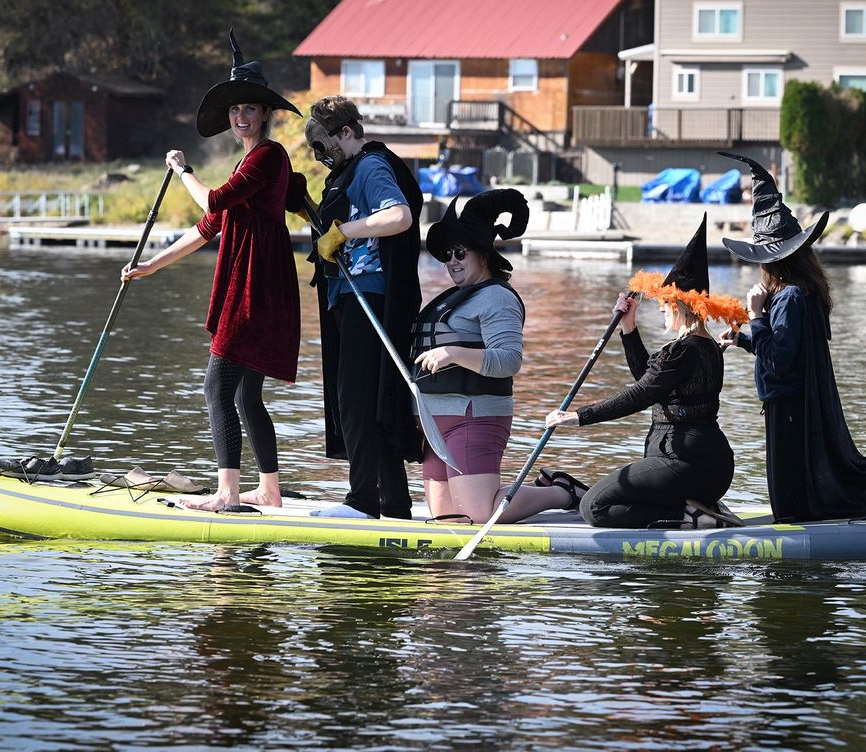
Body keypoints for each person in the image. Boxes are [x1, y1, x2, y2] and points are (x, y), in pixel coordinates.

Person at [121, 31, 301, 512]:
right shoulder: (250, 161)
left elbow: (212, 199)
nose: (241, 117)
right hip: (255, 286)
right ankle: (269, 489)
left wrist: (183, 171)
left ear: (265, 113)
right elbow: (207, 228)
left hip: (255, 289)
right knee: (245, 397)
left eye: (249, 109)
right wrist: (150, 268)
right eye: (234, 111)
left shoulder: (268, 156)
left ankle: (226, 492)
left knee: (216, 387)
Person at [715, 151, 866, 521]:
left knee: (796, 502)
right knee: (815, 483)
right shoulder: (799, 293)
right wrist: (742, 339)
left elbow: (780, 361)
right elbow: (786, 349)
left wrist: (754, 316)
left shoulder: (789, 298)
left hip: (790, 409)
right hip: (795, 405)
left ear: (775, 260)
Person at [544, 217, 747, 528]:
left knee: (594, 507)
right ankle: (692, 512)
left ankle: (688, 517)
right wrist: (629, 330)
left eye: (665, 302)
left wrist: (579, 416)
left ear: (682, 304)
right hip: (704, 467)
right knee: (604, 502)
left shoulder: (685, 349)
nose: (661, 308)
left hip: (687, 464)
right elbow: (649, 380)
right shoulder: (702, 348)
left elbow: (640, 394)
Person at [414, 189, 571, 523]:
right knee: (445, 518)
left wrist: (453, 353)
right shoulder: (450, 298)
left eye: (459, 252)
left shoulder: (497, 298)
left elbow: (509, 359)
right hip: (432, 423)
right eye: (446, 255)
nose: (451, 261)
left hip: (474, 417)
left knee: (479, 512)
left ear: (483, 254)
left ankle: (562, 492)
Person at [304, 96, 423, 520]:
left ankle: (361, 500)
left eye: (326, 145)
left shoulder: (370, 165)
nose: (322, 156)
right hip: (347, 296)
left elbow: (399, 217)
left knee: (355, 399)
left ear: (347, 134)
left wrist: (342, 232)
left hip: (368, 296)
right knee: (372, 400)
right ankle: (393, 502)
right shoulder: (349, 171)